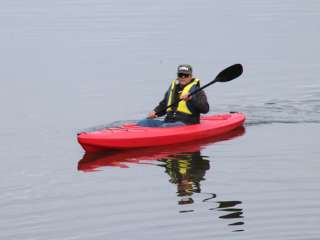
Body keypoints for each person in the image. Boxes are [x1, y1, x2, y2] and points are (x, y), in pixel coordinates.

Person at [138, 64, 209, 127]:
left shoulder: (197, 91)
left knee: (165, 127)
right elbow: (164, 105)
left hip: (187, 123)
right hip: (168, 121)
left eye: (186, 75)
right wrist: (155, 112)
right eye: (180, 75)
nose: (183, 77)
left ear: (190, 76)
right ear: (177, 76)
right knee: (143, 122)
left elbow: (205, 109)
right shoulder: (173, 89)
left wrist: (191, 99)